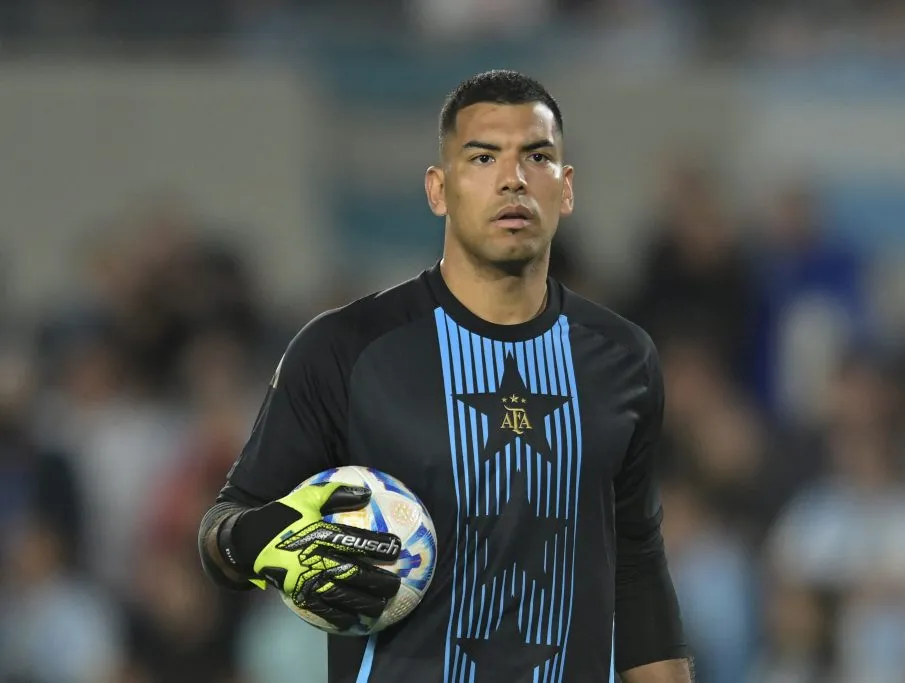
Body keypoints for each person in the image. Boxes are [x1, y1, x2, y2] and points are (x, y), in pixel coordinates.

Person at [198, 69, 692, 683]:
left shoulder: (624, 358)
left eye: (536, 157)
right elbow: (222, 530)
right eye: (483, 157)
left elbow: (637, 563)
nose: (513, 179)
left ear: (566, 189)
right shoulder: (343, 350)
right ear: (439, 189)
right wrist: (266, 540)